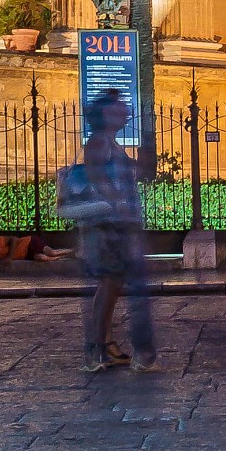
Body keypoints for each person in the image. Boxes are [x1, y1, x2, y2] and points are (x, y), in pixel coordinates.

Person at [79, 91, 156, 373]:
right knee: (110, 284)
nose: (126, 111)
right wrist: (119, 207)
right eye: (120, 108)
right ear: (106, 114)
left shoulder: (110, 142)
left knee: (112, 285)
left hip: (115, 223)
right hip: (107, 225)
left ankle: (105, 343)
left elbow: (128, 176)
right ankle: (96, 348)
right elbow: (97, 177)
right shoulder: (99, 142)